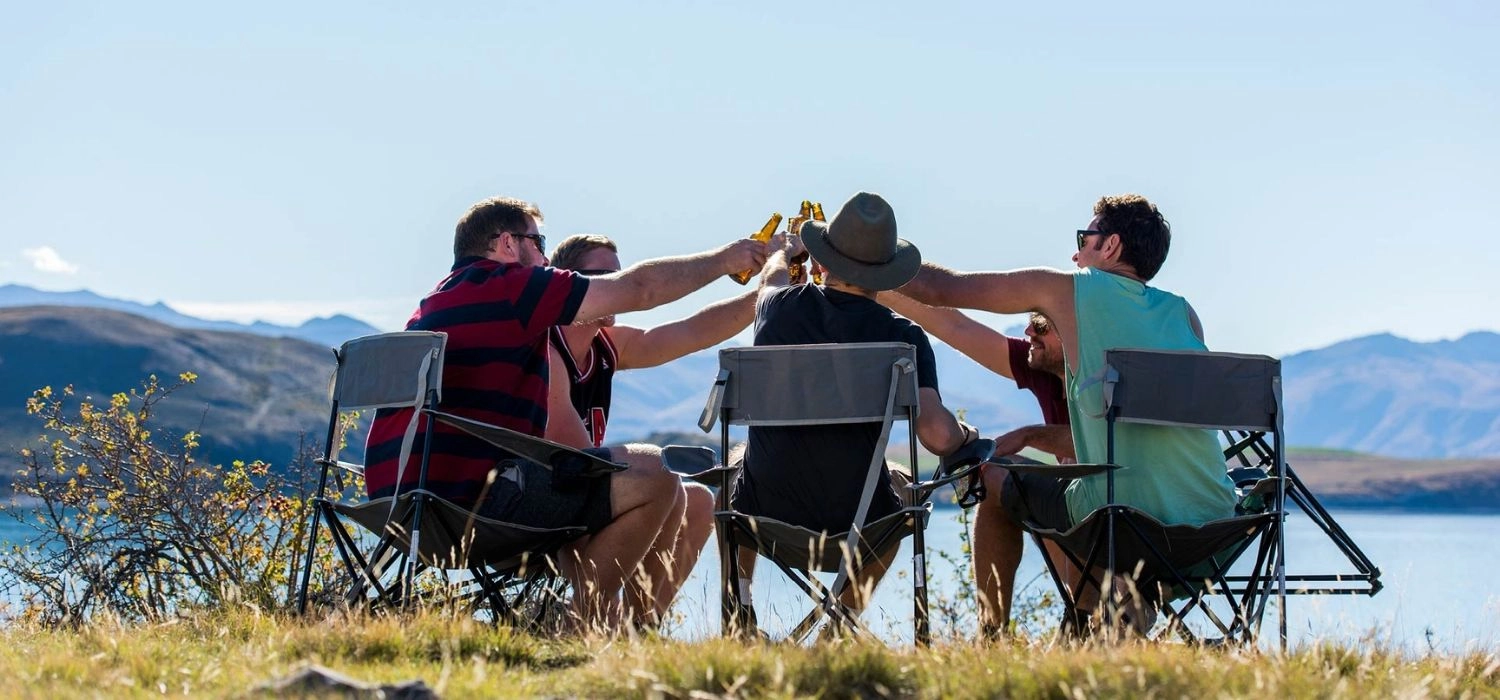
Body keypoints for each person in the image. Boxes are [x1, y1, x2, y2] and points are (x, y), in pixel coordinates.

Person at [363, 196, 769, 631]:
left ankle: (629, 630)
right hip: (467, 504)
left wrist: (767, 294)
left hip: (404, 500)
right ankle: (584, 625)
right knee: (655, 473)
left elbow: (686, 333)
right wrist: (729, 258)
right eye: (539, 243)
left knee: (689, 496)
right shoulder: (511, 290)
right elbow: (642, 289)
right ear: (506, 245)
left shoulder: (444, 300)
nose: (544, 259)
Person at [896, 193, 1237, 634]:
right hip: (1210, 524)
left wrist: (856, 257)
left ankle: (993, 638)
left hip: (1123, 521)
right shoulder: (1184, 315)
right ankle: (1105, 617)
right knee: (1084, 486)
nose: (1076, 253)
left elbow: (940, 290)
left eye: (1085, 238)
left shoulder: (1069, 290)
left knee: (997, 474)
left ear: (1110, 246)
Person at [732, 191, 979, 628]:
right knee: (903, 497)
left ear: (821, 264)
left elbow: (769, 281)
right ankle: (838, 627)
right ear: (885, 276)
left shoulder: (775, 311)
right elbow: (938, 438)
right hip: (859, 525)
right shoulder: (904, 337)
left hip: (762, 516)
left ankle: (741, 613)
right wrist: (966, 436)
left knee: (731, 470)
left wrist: (785, 252)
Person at [542, 232, 766, 628]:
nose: (617, 287)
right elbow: (570, 455)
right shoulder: (546, 347)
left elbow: (692, 332)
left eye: (619, 276)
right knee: (665, 484)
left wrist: (766, 293)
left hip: (585, 492)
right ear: (570, 281)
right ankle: (601, 623)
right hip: (550, 498)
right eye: (603, 278)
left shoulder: (605, 345)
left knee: (698, 501)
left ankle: (638, 629)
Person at [878, 296, 1074, 634]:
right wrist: (869, 277)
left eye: (1041, 325)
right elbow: (954, 325)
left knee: (1062, 489)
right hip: (1082, 506)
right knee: (998, 472)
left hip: (1121, 512)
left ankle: (1088, 616)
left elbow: (1126, 445)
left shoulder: (1107, 372)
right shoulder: (1039, 363)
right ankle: (991, 633)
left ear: (1075, 334)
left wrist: (1032, 435)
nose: (1029, 330)